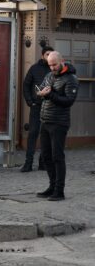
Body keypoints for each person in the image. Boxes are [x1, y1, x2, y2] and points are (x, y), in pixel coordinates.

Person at [36, 51, 78, 201]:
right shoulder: (49, 75)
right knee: (46, 156)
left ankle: (59, 191)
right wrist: (41, 93)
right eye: (50, 65)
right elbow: (40, 89)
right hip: (45, 120)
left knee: (57, 157)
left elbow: (68, 101)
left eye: (54, 64)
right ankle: (52, 186)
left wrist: (50, 95)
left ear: (62, 61)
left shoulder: (71, 79)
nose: (52, 68)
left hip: (59, 123)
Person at [20, 46, 52, 172]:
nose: (49, 57)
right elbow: (26, 85)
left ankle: (42, 163)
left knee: (46, 135)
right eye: (47, 54)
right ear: (42, 55)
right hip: (36, 106)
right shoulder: (34, 68)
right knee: (33, 134)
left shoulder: (53, 69)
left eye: (51, 54)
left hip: (50, 107)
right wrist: (30, 102)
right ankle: (28, 163)